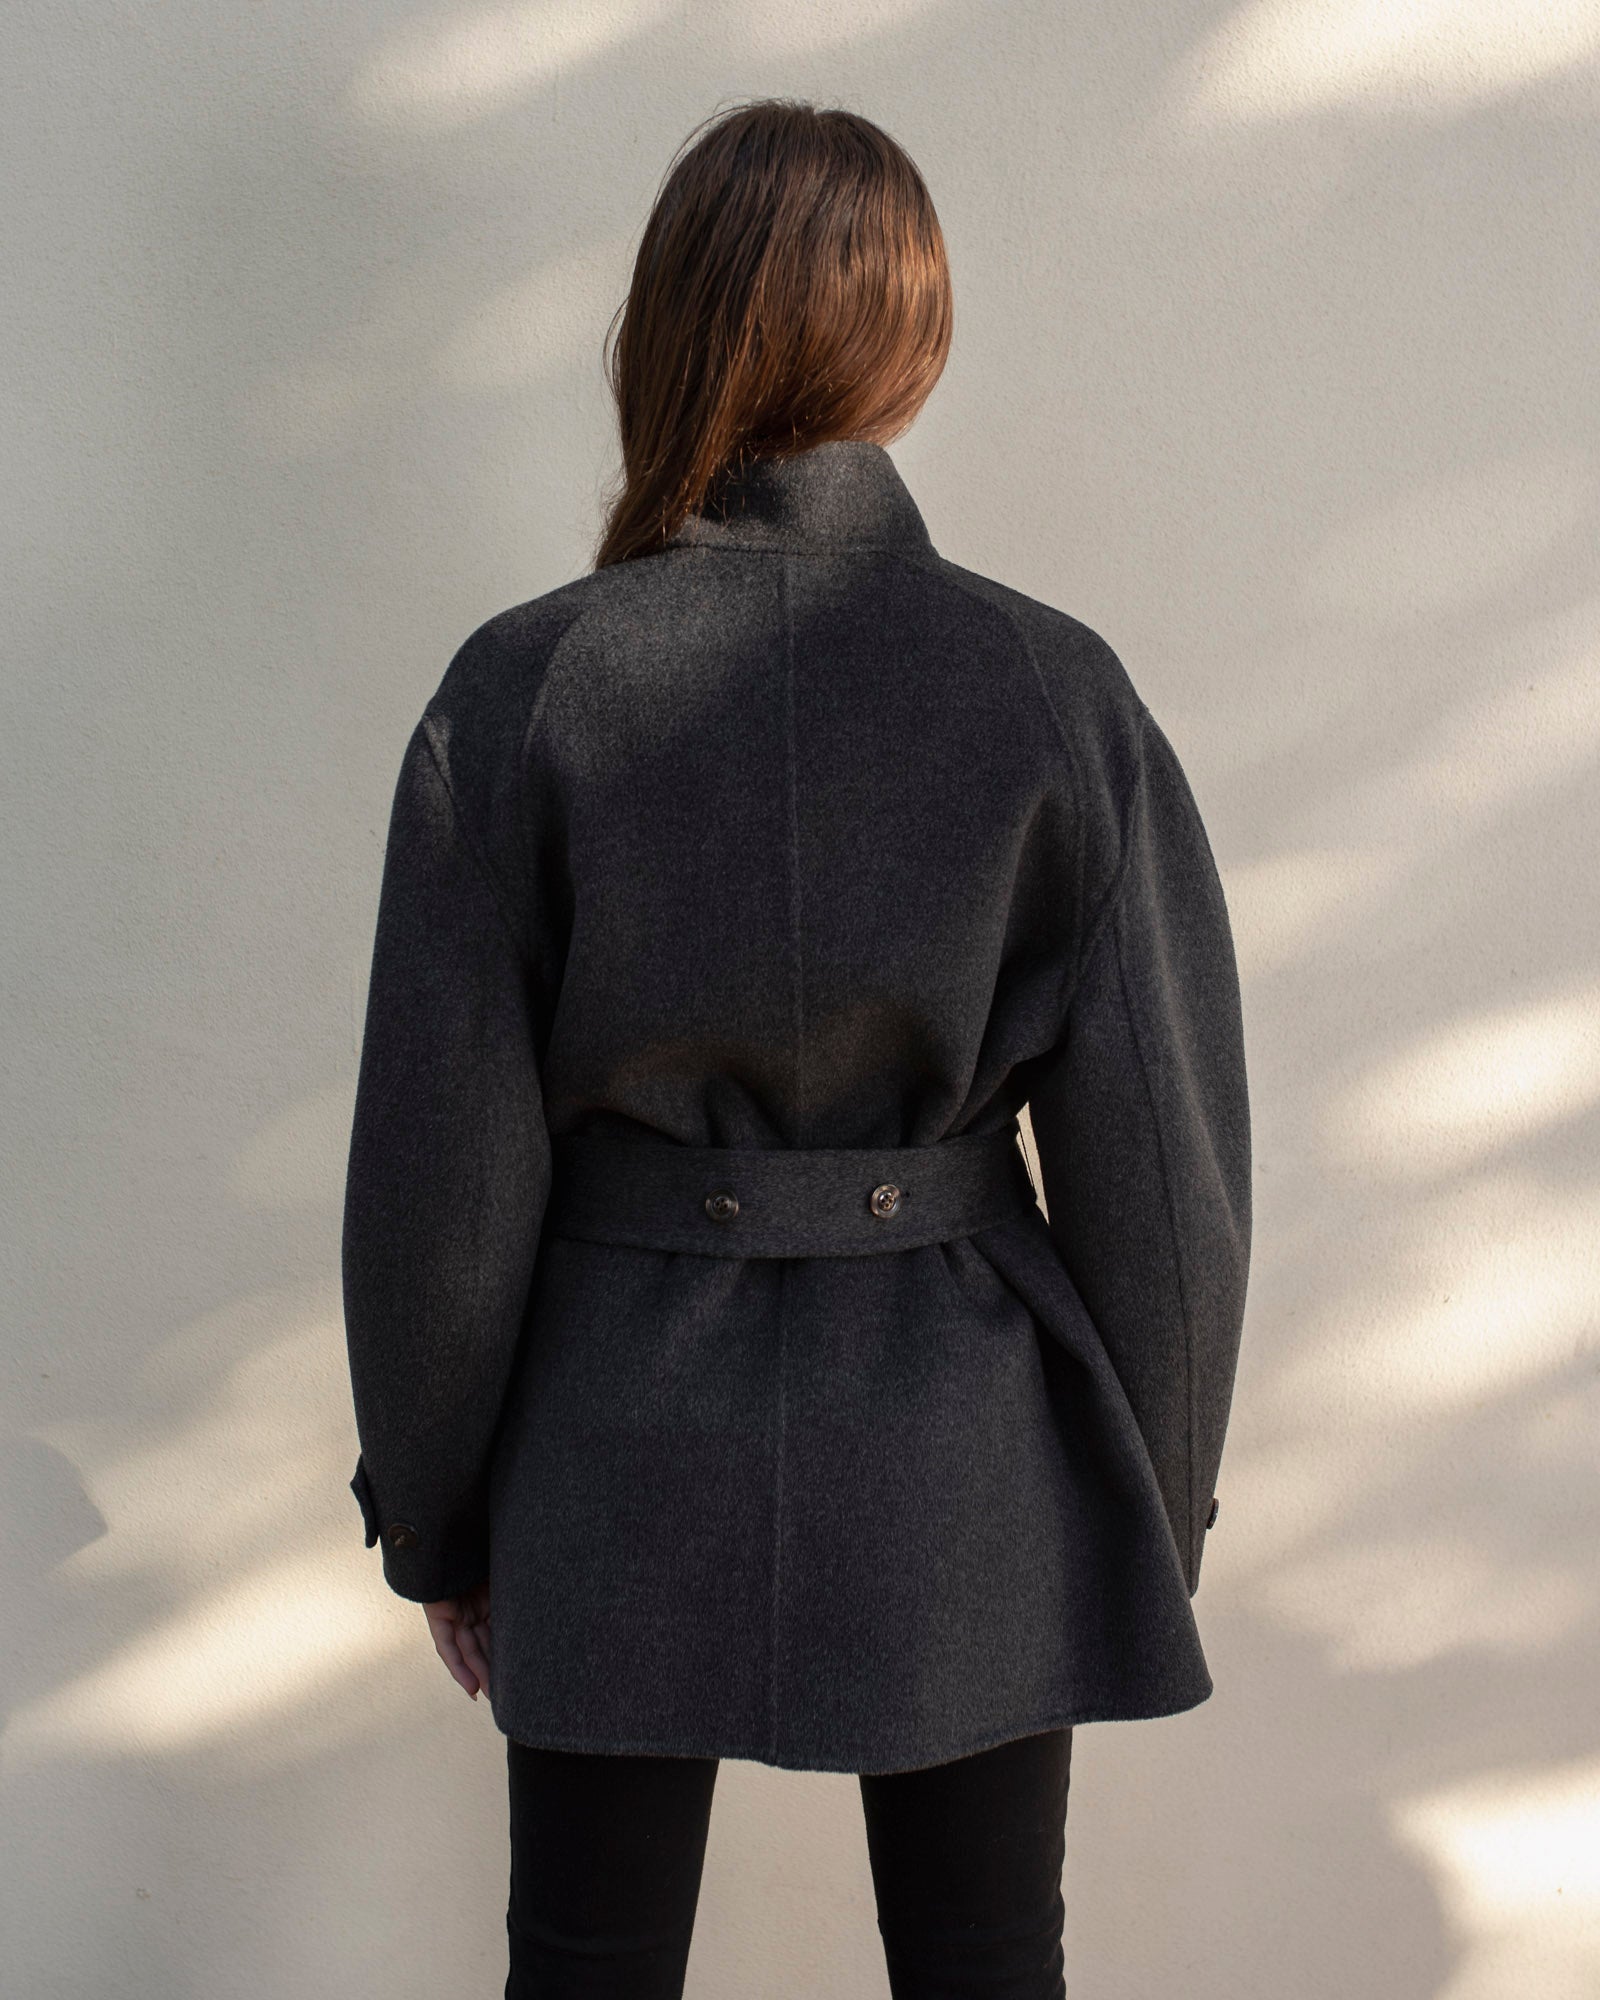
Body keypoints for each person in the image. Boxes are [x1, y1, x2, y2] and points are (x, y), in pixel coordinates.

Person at [340, 96, 1252, 2000]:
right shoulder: (1053, 691)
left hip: (613, 1430)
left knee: (582, 1966)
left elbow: (440, 1181)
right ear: (913, 343)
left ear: (666, 329)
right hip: (968, 1436)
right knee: (987, 1964)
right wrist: (1149, 1493)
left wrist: (435, 1513)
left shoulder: (522, 688)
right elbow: (1164, 1176)